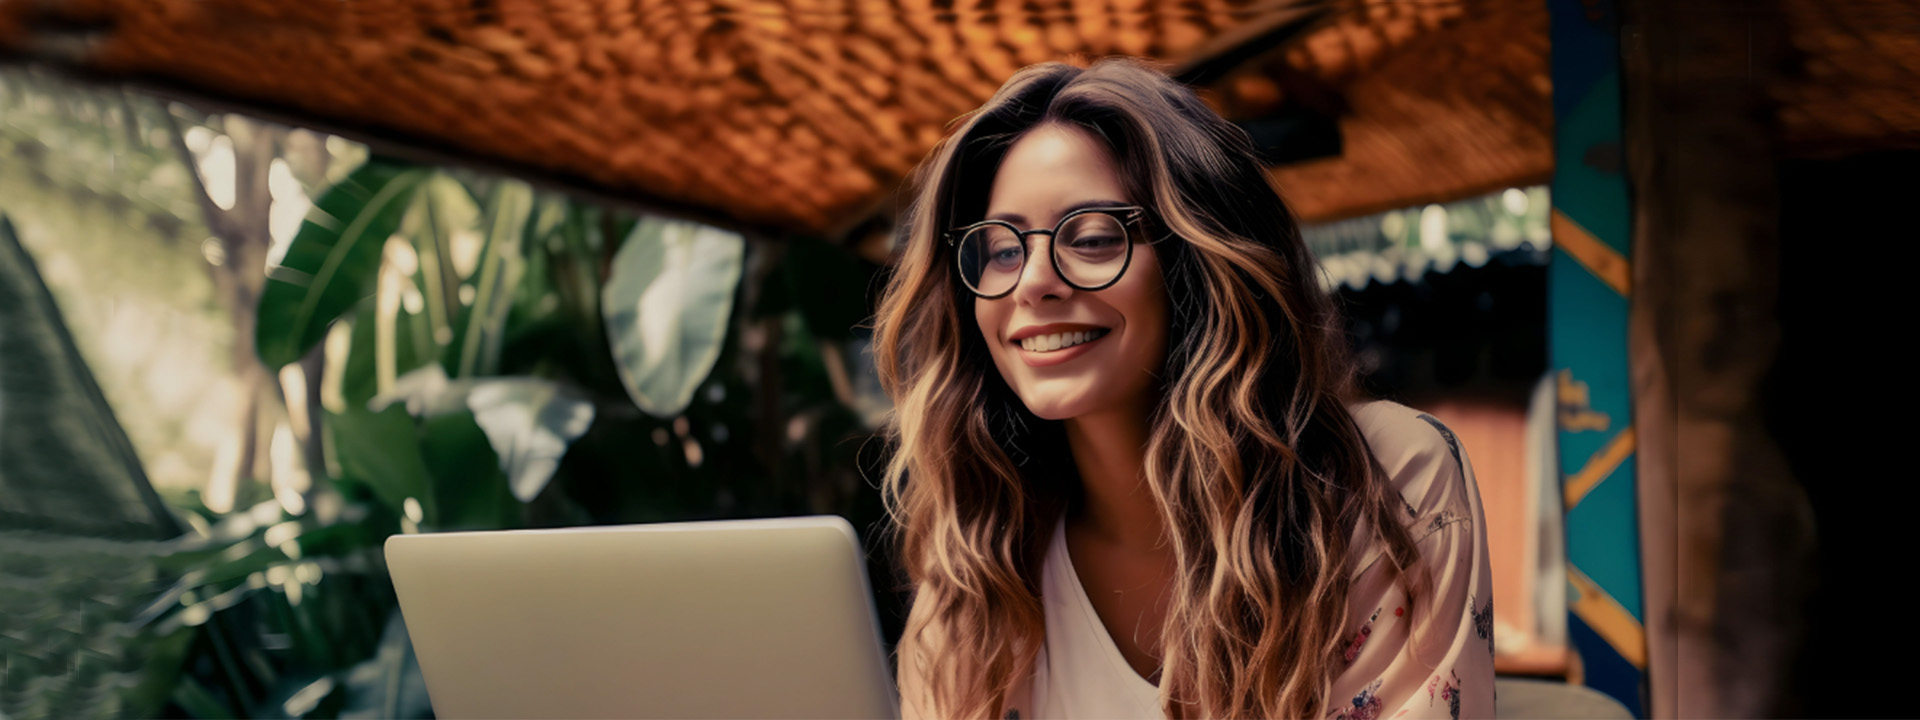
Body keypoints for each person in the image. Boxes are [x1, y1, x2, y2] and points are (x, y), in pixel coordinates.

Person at [871, 58, 1495, 720]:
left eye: (1090, 237)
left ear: (1194, 265)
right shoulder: (973, 569)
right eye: (1000, 250)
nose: (1031, 282)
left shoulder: (1386, 485)